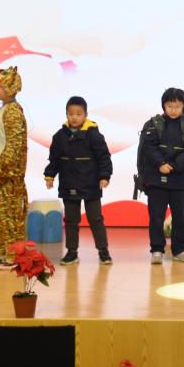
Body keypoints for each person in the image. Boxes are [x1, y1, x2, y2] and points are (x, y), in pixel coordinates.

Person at [44, 95, 113, 266]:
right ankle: (72, 252)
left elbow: (104, 158)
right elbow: (54, 159)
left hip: (91, 184)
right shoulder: (59, 136)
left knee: (95, 219)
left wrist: (104, 176)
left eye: (78, 114)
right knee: (71, 220)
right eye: (71, 114)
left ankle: (103, 251)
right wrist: (50, 175)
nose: (74, 117)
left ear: (86, 115)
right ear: (66, 114)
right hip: (69, 184)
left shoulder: (94, 135)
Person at [140, 87, 184, 263]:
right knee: (156, 216)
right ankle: (157, 250)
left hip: (178, 180)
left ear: (183, 107)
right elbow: (149, 148)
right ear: (164, 106)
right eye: (170, 106)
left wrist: (173, 166)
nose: (173, 110)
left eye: (177, 106)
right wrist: (160, 164)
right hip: (156, 180)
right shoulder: (154, 124)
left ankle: (180, 250)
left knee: (179, 216)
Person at [0, 66, 29, 270]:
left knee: (9, 216)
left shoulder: (13, 112)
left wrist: (1, 169)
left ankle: (12, 256)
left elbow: (13, 146)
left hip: (7, 175)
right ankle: (1, 253)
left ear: (11, 88)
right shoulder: (1, 110)